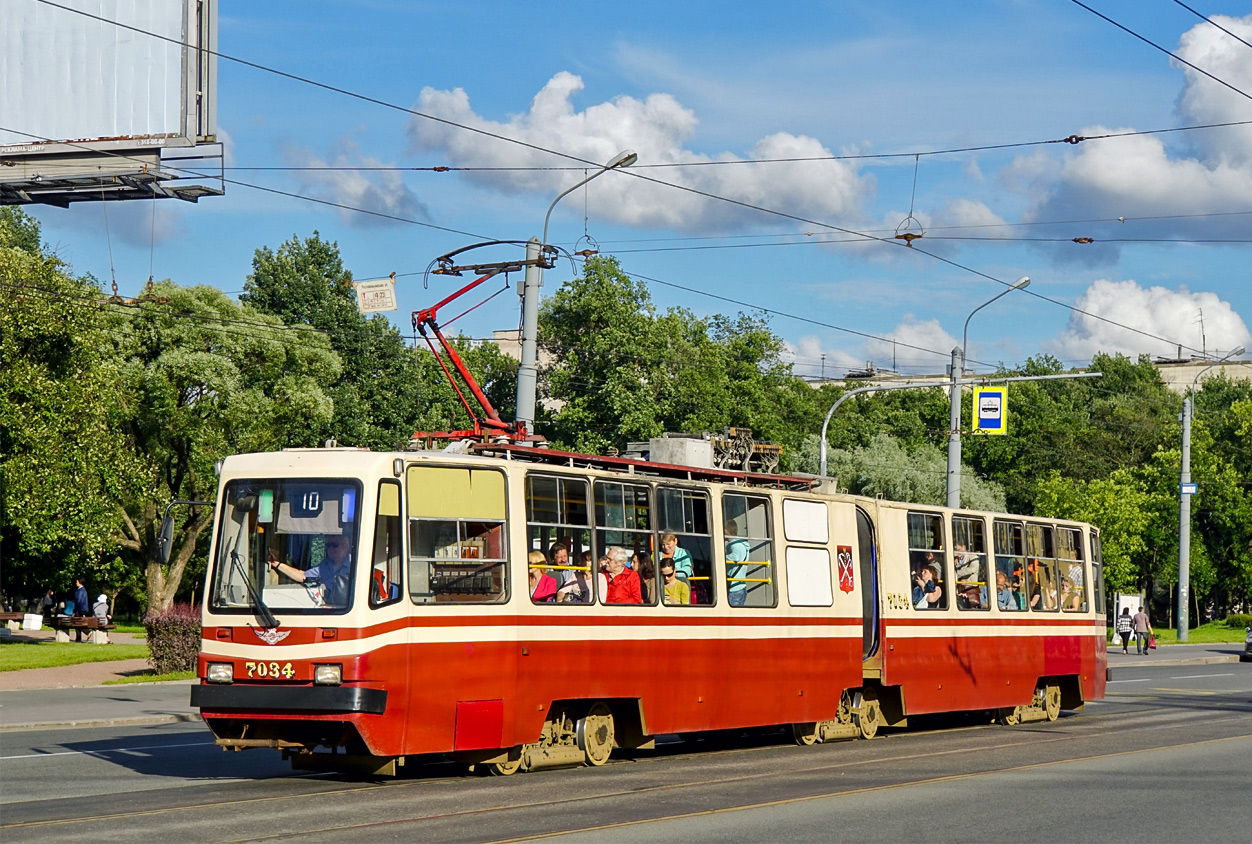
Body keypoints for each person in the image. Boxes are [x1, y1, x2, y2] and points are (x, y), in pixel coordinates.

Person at [269, 533, 354, 607]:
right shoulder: (325, 565)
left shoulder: (355, 565)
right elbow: (302, 576)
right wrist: (277, 564)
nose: (331, 549)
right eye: (328, 545)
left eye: (335, 545)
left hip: (347, 609)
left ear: (346, 546)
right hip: (327, 609)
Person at [725, 521, 750, 607]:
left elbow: (735, 557)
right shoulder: (734, 544)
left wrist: (720, 557)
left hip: (735, 588)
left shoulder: (736, 545)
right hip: (735, 586)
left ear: (725, 530)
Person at [72, 577, 90, 641]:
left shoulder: (81, 590)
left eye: (77, 582)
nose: (76, 583)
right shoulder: (82, 590)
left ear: (80, 582)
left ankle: (87, 632)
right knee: (77, 623)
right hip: (81, 609)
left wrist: (76, 609)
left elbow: (79, 600)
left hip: (80, 609)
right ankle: (78, 638)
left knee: (77, 623)